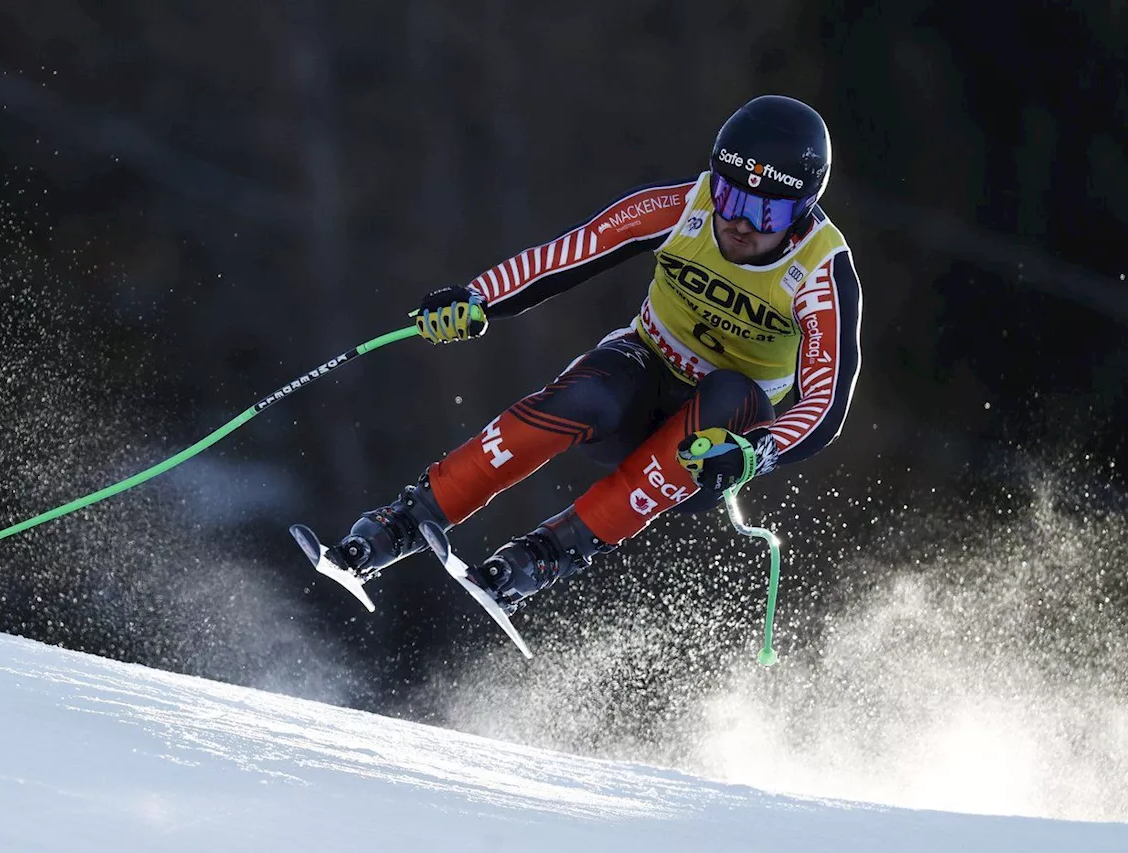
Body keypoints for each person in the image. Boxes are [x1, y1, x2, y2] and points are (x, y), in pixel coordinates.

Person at [332, 94, 862, 613]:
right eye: (730, 198)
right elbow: (567, 254)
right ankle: (404, 521)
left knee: (733, 391)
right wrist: (477, 298)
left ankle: (547, 555)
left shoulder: (819, 273)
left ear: (801, 214)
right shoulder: (682, 208)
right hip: (641, 378)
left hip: (710, 443)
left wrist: (756, 452)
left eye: (765, 211)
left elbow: (826, 402)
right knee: (588, 393)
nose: (740, 222)